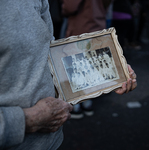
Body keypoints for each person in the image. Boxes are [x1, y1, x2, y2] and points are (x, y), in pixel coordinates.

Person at [0, 0, 137, 149]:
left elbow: (46, 52)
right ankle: (85, 106)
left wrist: (112, 71)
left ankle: (80, 106)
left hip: (51, 140)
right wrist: (29, 119)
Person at [61, 0, 113, 119]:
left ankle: (77, 106)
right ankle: (88, 103)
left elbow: (70, 7)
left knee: (77, 68)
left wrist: (64, 7)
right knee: (92, 67)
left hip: (81, 27)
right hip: (97, 26)